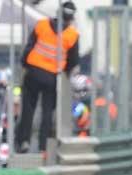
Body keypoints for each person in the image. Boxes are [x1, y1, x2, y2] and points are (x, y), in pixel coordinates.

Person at [16, 1, 80, 154]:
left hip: (33, 72)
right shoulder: (72, 35)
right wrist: (64, 71)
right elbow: (73, 61)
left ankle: (24, 140)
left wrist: (24, 64)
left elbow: (29, 47)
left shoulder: (42, 25)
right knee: (47, 112)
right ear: (71, 18)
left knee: (28, 108)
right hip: (52, 77)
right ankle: (43, 146)